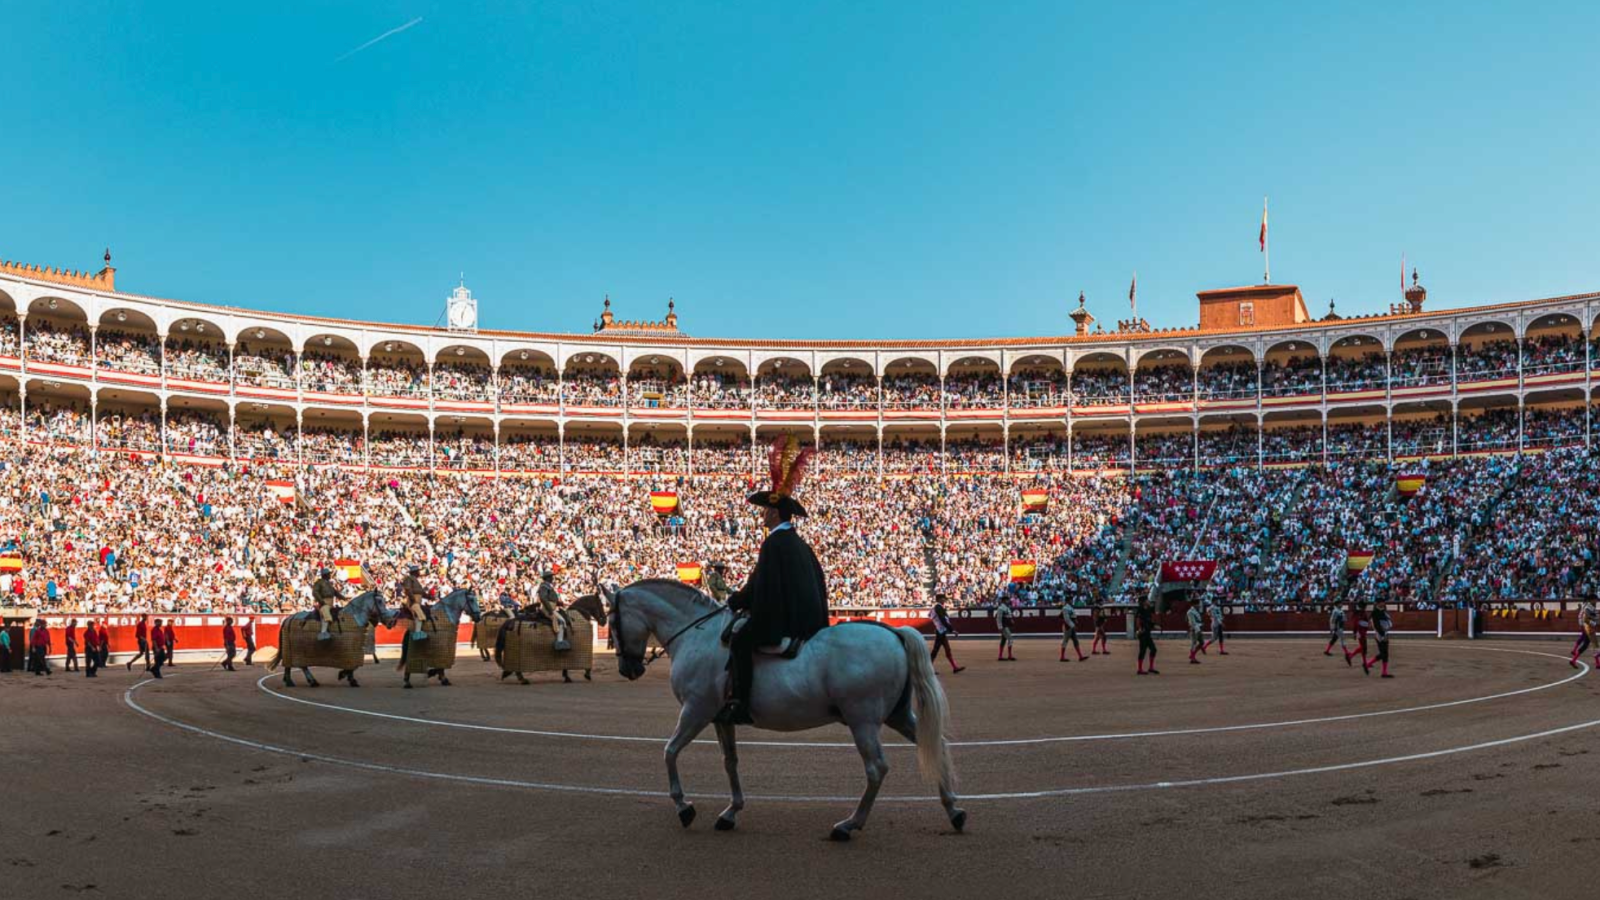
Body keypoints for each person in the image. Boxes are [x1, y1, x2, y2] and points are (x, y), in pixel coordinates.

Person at [717, 436, 829, 726]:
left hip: (785, 622)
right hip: (811, 621)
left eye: (766, 510)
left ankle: (740, 702)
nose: (763, 514)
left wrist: (734, 600)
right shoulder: (801, 544)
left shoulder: (774, 543)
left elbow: (759, 587)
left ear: (776, 512)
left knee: (740, 640)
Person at [930, 595, 964, 673]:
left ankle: (955, 667)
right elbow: (943, 620)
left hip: (941, 631)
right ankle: (929, 669)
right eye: (943, 598)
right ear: (939, 599)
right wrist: (952, 630)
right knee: (935, 650)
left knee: (946, 649)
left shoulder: (938, 607)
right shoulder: (938, 607)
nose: (945, 600)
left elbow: (932, 617)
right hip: (940, 631)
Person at [537, 570, 569, 650]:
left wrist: (559, 603)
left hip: (551, 607)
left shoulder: (547, 586)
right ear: (547, 578)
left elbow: (550, 599)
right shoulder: (544, 586)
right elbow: (543, 598)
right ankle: (559, 643)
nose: (552, 578)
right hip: (547, 608)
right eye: (551, 576)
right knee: (561, 621)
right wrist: (550, 610)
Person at [312, 568, 345, 641]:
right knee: (326, 614)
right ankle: (323, 633)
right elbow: (315, 592)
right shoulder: (319, 582)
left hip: (331, 603)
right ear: (325, 575)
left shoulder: (329, 583)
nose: (330, 575)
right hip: (324, 603)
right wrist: (321, 602)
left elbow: (335, 592)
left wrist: (344, 598)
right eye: (329, 574)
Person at [401, 565, 430, 641]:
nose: (419, 572)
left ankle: (419, 632)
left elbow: (422, 593)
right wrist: (412, 599)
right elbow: (408, 589)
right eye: (417, 571)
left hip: (417, 601)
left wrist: (429, 597)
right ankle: (417, 634)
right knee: (419, 615)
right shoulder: (409, 578)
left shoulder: (415, 580)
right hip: (412, 601)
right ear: (414, 572)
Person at [1366, 600, 1394, 678]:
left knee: (1384, 653)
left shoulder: (1382, 611)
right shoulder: (1375, 612)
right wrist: (1382, 635)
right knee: (1384, 653)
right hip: (1380, 634)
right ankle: (1383, 672)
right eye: (1382, 602)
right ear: (1378, 603)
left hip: (1384, 633)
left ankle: (1369, 664)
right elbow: (1376, 625)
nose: (1384, 603)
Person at [1570, 597, 1598, 669]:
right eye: (1595, 600)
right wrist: (1594, 623)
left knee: (1589, 645)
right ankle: (1597, 663)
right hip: (1588, 628)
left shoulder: (1589, 607)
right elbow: (1586, 618)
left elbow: (1594, 617)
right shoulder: (1589, 607)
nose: (1596, 601)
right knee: (1593, 645)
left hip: (1587, 627)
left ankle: (1574, 660)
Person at [1135, 596, 1159, 675]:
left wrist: (1154, 625)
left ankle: (1151, 668)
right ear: (1143, 601)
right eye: (1147, 600)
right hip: (1143, 632)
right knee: (1143, 650)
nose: (1149, 601)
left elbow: (1149, 621)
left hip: (1147, 632)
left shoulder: (1148, 609)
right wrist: (1139, 629)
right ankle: (1139, 669)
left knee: (1153, 649)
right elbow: (1138, 620)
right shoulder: (1140, 609)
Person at [1346, 601, 1370, 674]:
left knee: (1362, 647)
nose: (1365, 607)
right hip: (1360, 632)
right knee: (1363, 648)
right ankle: (1364, 663)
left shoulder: (1359, 613)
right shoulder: (1360, 613)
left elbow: (1358, 623)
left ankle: (1350, 656)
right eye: (1364, 606)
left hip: (1361, 632)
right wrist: (1355, 633)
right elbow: (1356, 624)